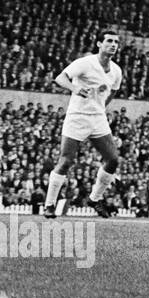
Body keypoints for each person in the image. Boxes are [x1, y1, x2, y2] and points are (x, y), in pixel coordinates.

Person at [44, 29, 124, 218]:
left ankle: (94, 199)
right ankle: (49, 205)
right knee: (66, 162)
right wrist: (75, 88)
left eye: (116, 42)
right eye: (109, 41)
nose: (113, 45)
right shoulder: (85, 63)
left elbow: (113, 90)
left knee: (113, 159)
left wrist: (101, 106)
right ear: (99, 44)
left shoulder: (116, 70)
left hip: (97, 118)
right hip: (77, 117)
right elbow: (60, 78)